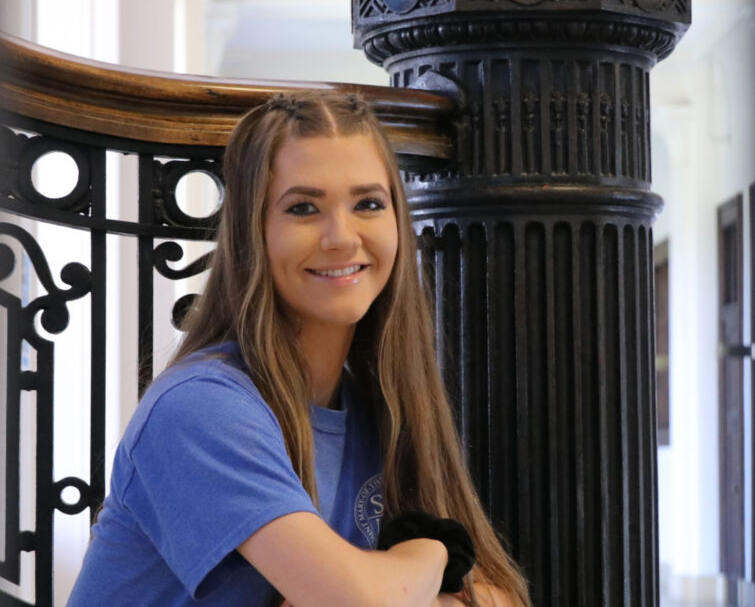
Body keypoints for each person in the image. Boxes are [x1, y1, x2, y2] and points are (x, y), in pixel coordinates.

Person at [69, 90, 529, 606]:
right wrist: (432, 550)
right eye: (304, 208)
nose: (342, 237)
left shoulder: (382, 404)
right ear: (253, 232)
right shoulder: (200, 408)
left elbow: (499, 598)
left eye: (368, 204)